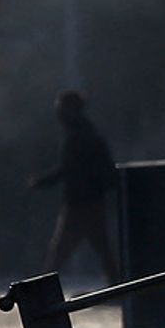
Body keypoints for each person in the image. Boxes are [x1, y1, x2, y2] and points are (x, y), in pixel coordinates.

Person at [29, 90, 120, 285]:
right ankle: (118, 287)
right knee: (102, 248)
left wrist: (42, 181)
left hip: (79, 203)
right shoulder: (88, 133)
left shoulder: (78, 136)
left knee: (59, 253)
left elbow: (68, 168)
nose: (58, 113)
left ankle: (43, 291)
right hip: (92, 201)